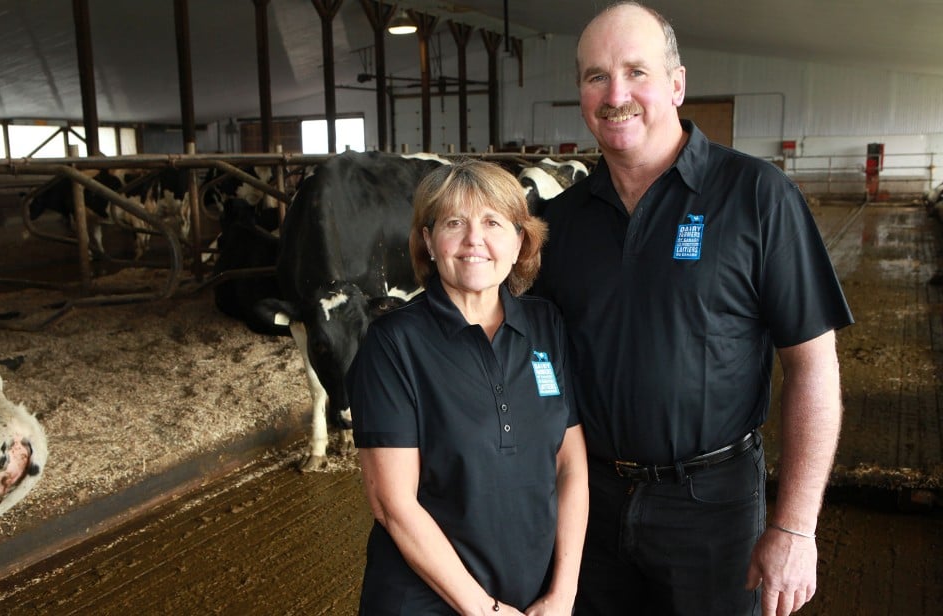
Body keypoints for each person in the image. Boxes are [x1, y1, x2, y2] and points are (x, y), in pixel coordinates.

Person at [531, 3, 854, 616]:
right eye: (596, 76)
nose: (616, 92)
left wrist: (795, 526)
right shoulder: (560, 223)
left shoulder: (757, 196)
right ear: (579, 92)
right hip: (587, 505)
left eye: (636, 72)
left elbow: (813, 366)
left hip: (713, 506)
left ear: (677, 83)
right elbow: (531, 361)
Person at [346, 159, 589, 615]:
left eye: (493, 222)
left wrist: (563, 594)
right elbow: (392, 504)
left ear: (520, 242)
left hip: (534, 597)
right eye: (454, 223)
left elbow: (570, 463)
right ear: (427, 241)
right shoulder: (394, 344)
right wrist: (485, 610)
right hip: (428, 600)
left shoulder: (545, 325)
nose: (474, 239)